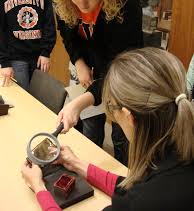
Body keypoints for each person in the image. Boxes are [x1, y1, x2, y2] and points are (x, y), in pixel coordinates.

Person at [21, 47, 194, 210]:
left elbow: (135, 196)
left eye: (111, 107)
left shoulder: (141, 202)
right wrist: (76, 163)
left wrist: (39, 188)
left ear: (129, 117)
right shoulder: (173, 155)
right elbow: (132, 186)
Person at [50, 0, 143, 164]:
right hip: (89, 72)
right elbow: (68, 38)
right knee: (91, 128)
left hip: (123, 74)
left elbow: (119, 68)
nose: (81, 4)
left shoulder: (126, 4)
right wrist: (80, 63)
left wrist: (80, 103)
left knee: (123, 137)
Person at [0, 0, 56, 90]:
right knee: (23, 98)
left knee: (40, 98)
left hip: (39, 56)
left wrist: (45, 52)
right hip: (15, 56)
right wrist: (4, 63)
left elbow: (49, 22)